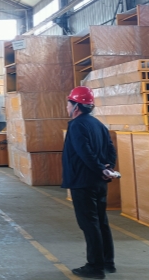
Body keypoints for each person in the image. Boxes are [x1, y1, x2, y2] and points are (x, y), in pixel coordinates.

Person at [62, 86, 117, 279]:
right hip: (99, 182)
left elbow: (84, 152)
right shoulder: (98, 124)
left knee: (89, 224)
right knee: (101, 222)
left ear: (76, 106)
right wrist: (108, 168)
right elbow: (111, 149)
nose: (67, 107)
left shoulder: (77, 125)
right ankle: (108, 262)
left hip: (83, 182)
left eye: (69, 103)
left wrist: (101, 169)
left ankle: (95, 266)